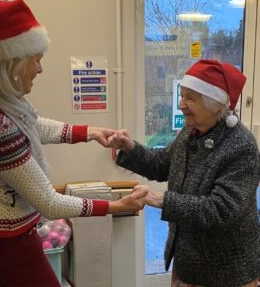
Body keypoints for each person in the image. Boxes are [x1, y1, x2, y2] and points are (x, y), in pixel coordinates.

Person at [0, 0, 147, 287]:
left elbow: (32, 125)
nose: (39, 69)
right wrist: (115, 206)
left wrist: (91, 131)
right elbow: (49, 202)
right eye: (35, 59)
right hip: (5, 240)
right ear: (13, 63)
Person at [108, 59, 260, 287]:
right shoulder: (191, 131)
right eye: (182, 95)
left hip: (226, 273)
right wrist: (130, 148)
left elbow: (221, 210)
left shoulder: (241, 146)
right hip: (189, 262)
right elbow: (161, 164)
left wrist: (162, 199)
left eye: (190, 98)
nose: (181, 104)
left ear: (215, 104)